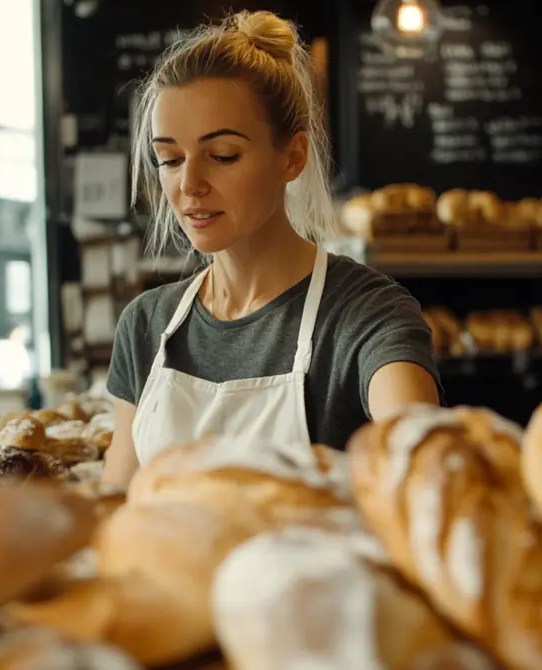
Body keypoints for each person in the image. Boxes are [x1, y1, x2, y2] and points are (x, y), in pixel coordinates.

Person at [102, 11, 441, 487]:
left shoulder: (364, 316)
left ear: (292, 157)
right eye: (170, 159)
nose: (189, 185)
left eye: (223, 156)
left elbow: (421, 472)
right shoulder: (146, 325)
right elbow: (117, 507)